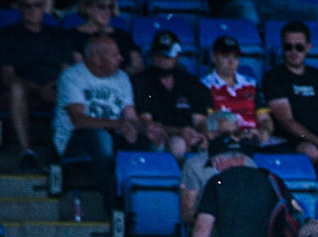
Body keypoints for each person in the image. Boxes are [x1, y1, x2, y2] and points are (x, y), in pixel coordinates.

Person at [55, 33, 139, 203]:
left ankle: (140, 204)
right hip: (75, 140)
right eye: (114, 55)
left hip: (113, 135)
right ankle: (112, 202)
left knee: (147, 142)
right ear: (96, 59)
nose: (121, 59)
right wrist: (119, 125)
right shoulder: (72, 76)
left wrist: (145, 129)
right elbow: (79, 119)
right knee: (101, 137)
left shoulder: (122, 77)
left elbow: (130, 117)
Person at [4, 0, 77, 173]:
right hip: (25, 87)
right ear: (20, 8)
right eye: (27, 6)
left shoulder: (57, 35)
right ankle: (27, 152)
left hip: (55, 85)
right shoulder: (8, 35)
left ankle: (60, 154)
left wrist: (56, 86)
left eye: (36, 5)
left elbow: (68, 70)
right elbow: (7, 76)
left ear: (43, 8)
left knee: (71, 90)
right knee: (16, 89)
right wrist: (38, 88)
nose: (32, 10)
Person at [262, 20, 318, 163]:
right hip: (293, 140)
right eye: (288, 47)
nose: (293, 52)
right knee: (311, 152)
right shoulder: (273, 77)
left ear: (308, 47)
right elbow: (287, 121)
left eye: (299, 47)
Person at [132, 32, 210, 161]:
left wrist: (202, 136)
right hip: (158, 136)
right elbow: (146, 121)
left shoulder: (190, 82)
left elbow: (200, 120)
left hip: (189, 136)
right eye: (158, 56)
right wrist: (178, 132)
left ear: (178, 57)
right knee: (176, 144)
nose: (161, 61)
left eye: (166, 57)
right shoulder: (141, 81)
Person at [201, 36, 269, 144]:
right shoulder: (205, 85)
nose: (231, 61)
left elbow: (265, 118)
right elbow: (208, 123)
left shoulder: (251, 83)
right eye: (225, 56)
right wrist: (238, 134)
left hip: (254, 137)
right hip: (226, 140)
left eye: (235, 56)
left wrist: (265, 131)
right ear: (214, 57)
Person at [67, 0, 139, 74]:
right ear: (87, 9)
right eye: (101, 7)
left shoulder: (122, 35)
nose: (107, 11)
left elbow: (137, 65)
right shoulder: (71, 36)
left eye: (110, 7)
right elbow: (81, 69)